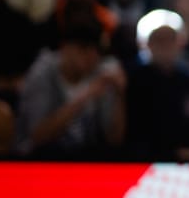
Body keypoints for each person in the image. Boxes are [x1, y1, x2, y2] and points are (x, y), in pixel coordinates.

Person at [18, 20, 127, 156]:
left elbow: (114, 139)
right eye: (83, 47)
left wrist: (119, 93)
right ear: (65, 47)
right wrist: (86, 95)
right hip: (38, 160)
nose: (91, 56)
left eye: (96, 49)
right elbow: (37, 136)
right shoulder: (42, 73)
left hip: (85, 160)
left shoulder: (101, 73)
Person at [126, 9, 189, 161]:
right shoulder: (133, 80)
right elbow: (134, 134)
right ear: (145, 43)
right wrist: (171, 154)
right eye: (159, 39)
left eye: (170, 39)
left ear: (181, 42)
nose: (165, 45)